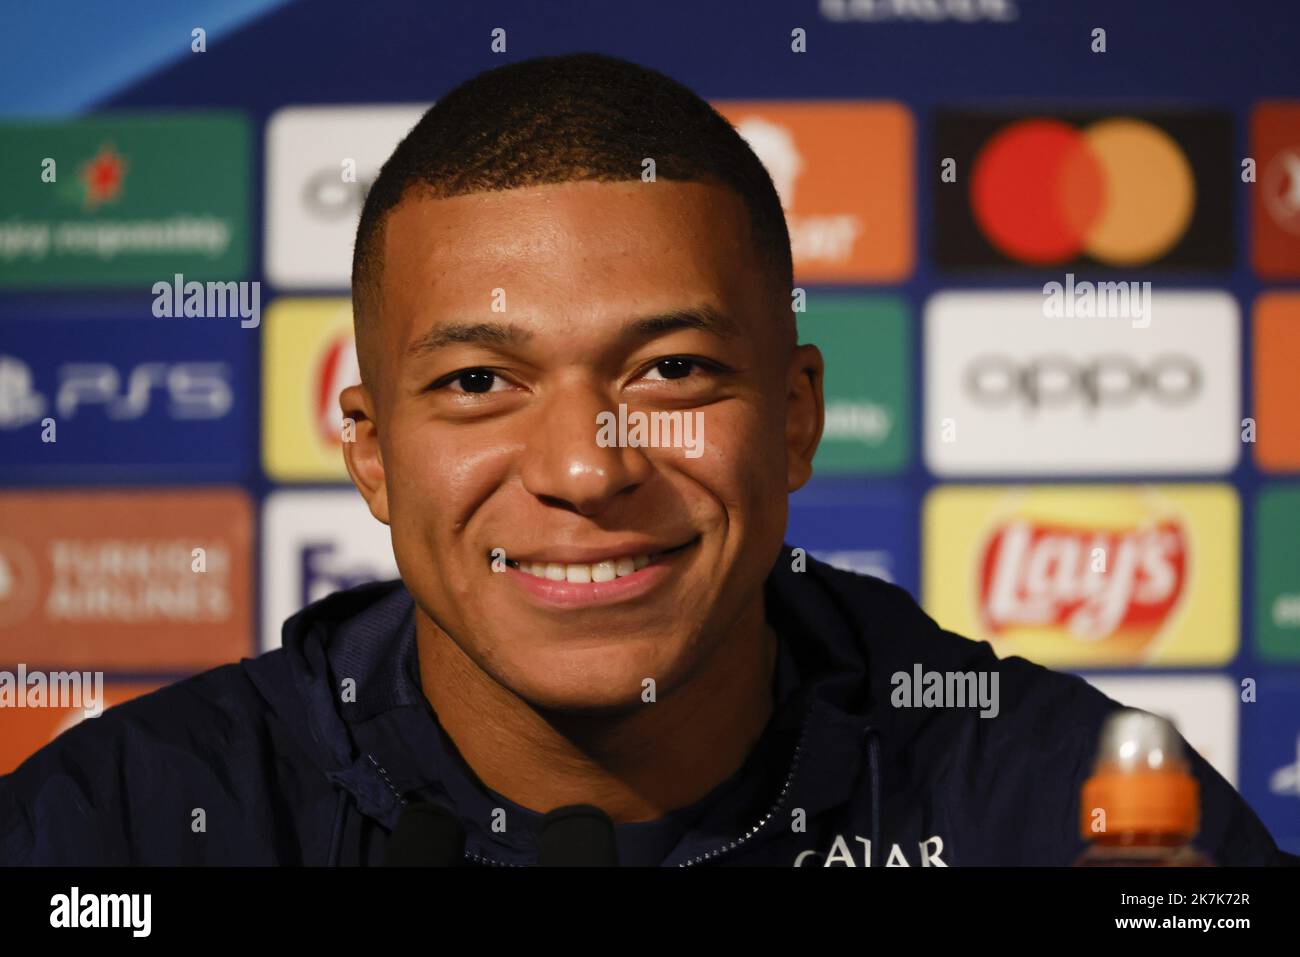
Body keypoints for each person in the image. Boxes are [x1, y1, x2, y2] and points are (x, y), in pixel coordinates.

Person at [1, 53, 1289, 866]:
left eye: (668, 371)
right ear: (373, 452)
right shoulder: (115, 831)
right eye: (476, 384)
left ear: (793, 419)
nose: (585, 467)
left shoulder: (1072, 810)